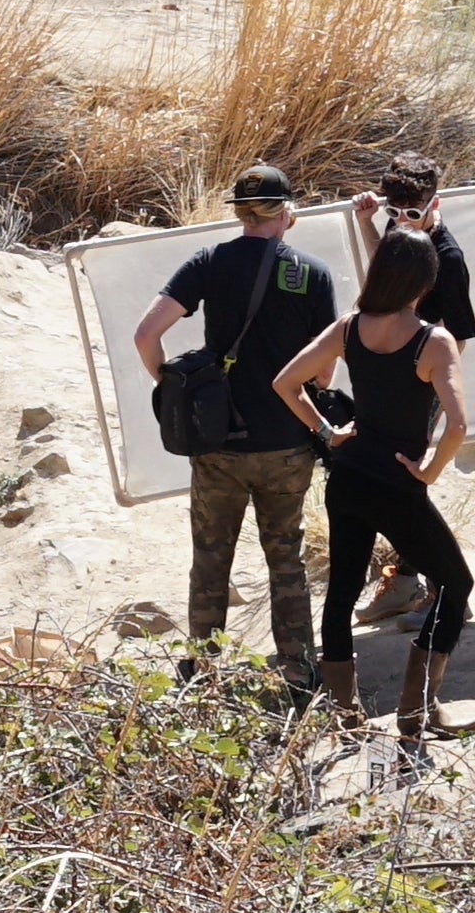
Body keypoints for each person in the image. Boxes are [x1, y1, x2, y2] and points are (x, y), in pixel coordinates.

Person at [133, 165, 342, 692]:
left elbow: (145, 335)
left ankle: (202, 668)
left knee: (210, 557)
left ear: (241, 215)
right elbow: (322, 372)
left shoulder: (209, 262)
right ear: (287, 213)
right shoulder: (312, 274)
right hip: (288, 444)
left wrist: (174, 385)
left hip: (218, 441)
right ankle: (297, 669)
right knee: (286, 559)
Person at [269, 229, 473, 738]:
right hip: (396, 482)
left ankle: (346, 715)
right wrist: (430, 469)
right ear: (424, 282)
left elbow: (285, 383)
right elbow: (459, 424)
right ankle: (416, 711)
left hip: (350, 474)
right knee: (455, 584)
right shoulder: (434, 340)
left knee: (340, 595)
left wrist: (328, 432)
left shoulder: (349, 328)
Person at [341, 154, 475, 624]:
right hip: (393, 380)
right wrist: (366, 224)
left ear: (435, 204)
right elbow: (387, 281)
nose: (402, 224)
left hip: (421, 387)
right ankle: (413, 581)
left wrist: (426, 382)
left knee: (407, 482)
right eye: (393, 214)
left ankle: (433, 587)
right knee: (394, 480)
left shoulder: (450, 259)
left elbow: (457, 338)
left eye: (413, 214)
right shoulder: (402, 236)